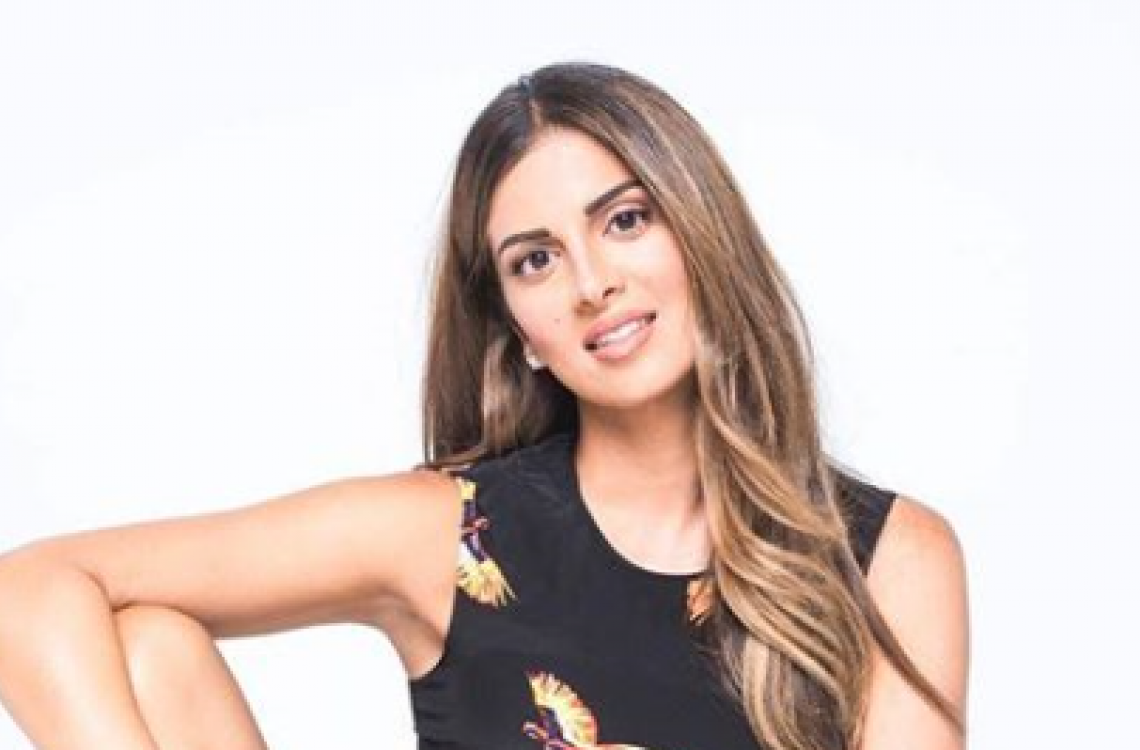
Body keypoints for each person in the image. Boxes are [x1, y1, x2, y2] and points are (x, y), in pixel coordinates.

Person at [0, 63, 968, 750]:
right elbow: (27, 590)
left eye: (626, 220)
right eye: (536, 260)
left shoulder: (889, 557)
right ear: (516, 325)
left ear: (701, 234)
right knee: (151, 651)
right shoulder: (452, 534)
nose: (592, 283)